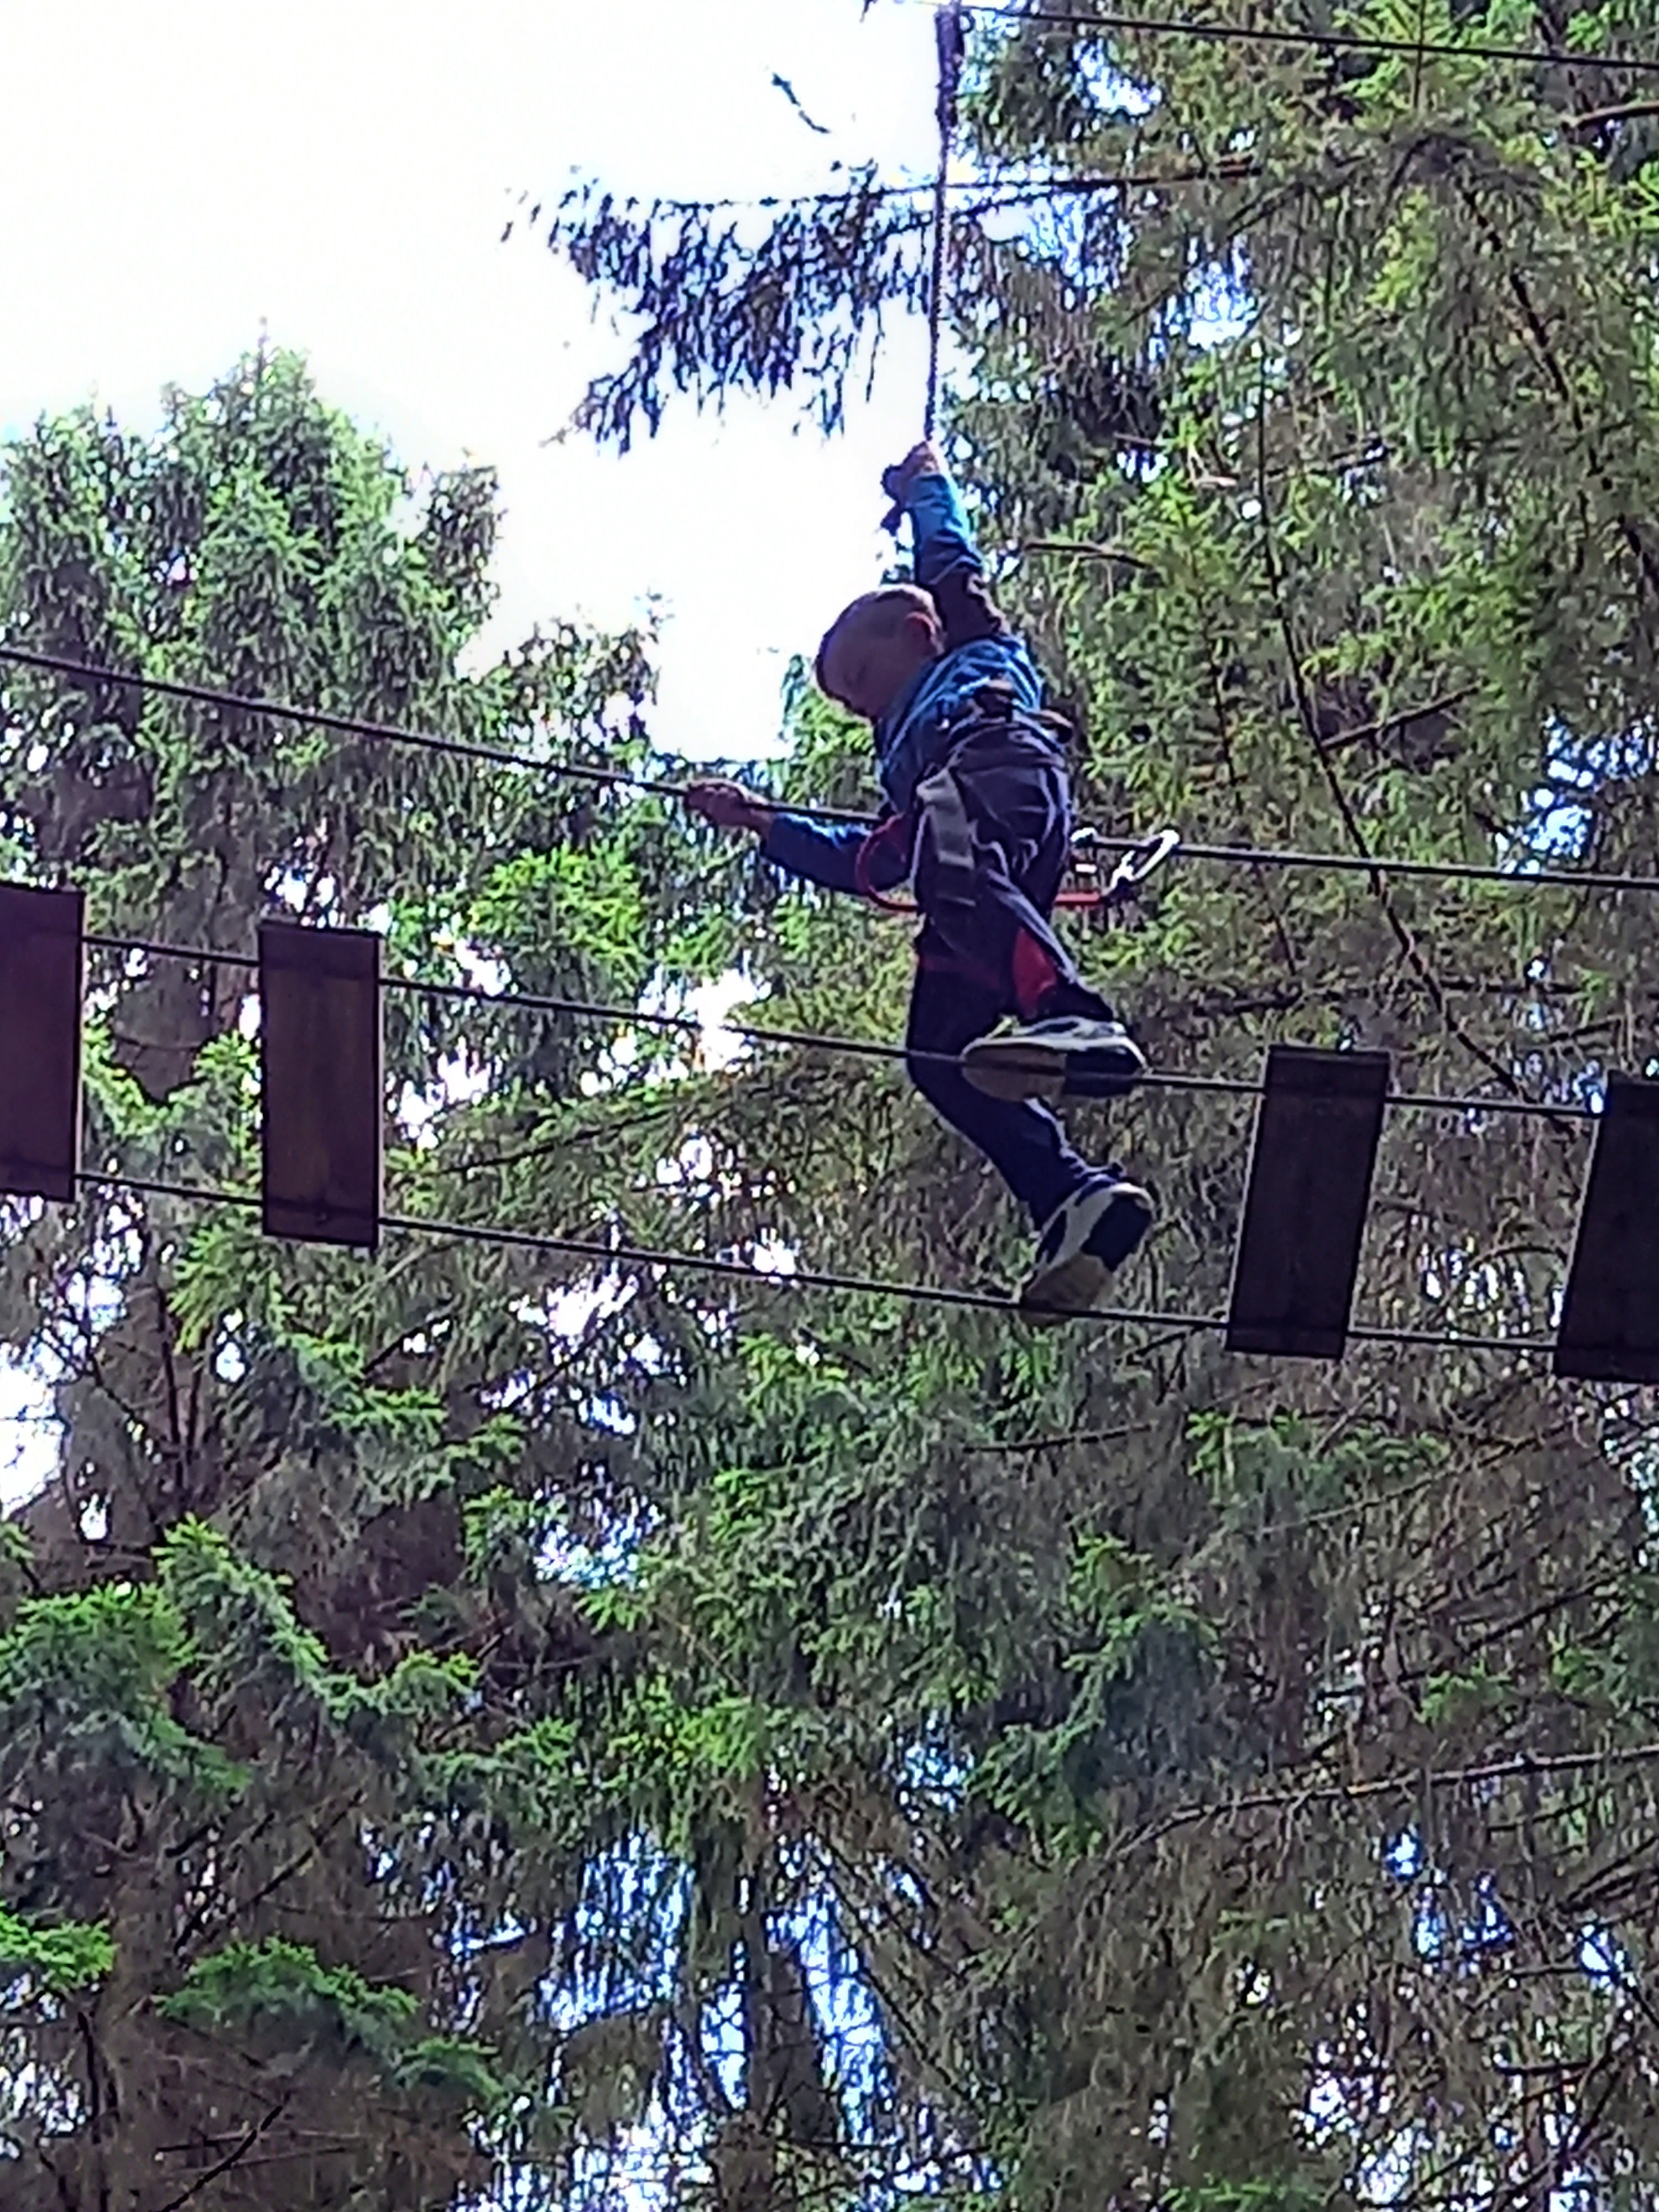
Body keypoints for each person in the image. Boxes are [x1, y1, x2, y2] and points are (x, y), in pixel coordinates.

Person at [683, 442, 1154, 1318]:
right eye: (849, 703)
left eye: (862, 680)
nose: (862, 707)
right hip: (970, 837)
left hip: (1000, 768)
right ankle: (1071, 1196)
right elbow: (866, 860)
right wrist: (762, 822)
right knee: (936, 1052)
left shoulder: (971, 648)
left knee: (960, 869)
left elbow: (951, 561)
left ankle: (1075, 1018)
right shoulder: (909, 773)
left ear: (918, 632)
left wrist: (926, 486)